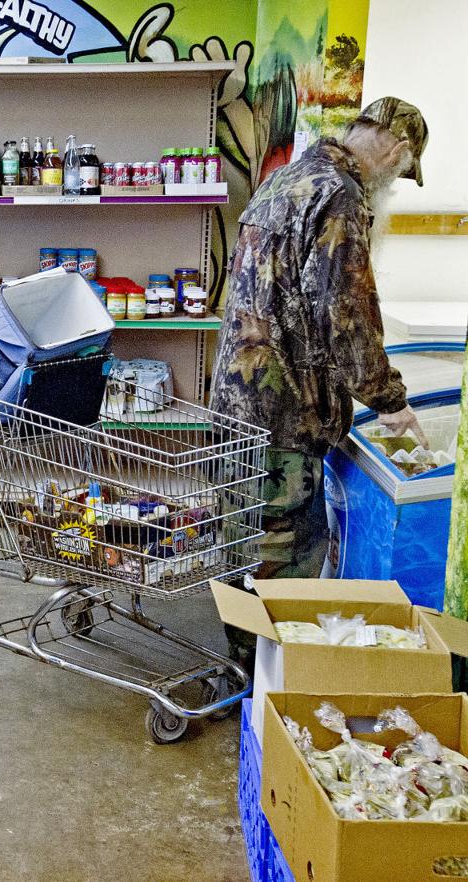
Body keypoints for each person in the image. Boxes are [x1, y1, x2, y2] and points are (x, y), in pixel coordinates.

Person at [210, 97, 429, 660]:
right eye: (404, 172)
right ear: (397, 149)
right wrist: (390, 401)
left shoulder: (288, 177)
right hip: (284, 410)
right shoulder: (341, 196)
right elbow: (346, 314)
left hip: (236, 397)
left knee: (244, 536)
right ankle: (269, 687)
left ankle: (243, 661)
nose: (396, 181)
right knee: (286, 556)